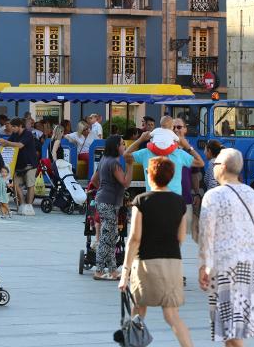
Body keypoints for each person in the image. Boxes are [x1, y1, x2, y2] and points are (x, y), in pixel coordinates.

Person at [199, 148, 254, 345]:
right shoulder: (251, 193)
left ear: (224, 167)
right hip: (249, 264)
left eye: (216, 164)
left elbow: (206, 234)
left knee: (230, 328)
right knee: (234, 327)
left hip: (224, 266)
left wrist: (204, 265)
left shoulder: (213, 196)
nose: (214, 168)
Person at [119, 157, 193, 347]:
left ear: (150, 176)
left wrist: (124, 273)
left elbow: (135, 238)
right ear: (171, 177)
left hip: (145, 263)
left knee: (138, 310)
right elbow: (181, 237)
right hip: (172, 263)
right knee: (172, 315)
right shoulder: (179, 202)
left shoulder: (141, 201)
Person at [90, 135, 133, 280]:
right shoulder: (114, 164)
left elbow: (94, 180)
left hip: (103, 201)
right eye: (122, 144)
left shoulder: (104, 160)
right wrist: (130, 165)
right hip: (109, 202)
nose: (124, 147)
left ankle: (113, 271)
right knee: (107, 238)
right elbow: (126, 182)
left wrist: (103, 189)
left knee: (111, 236)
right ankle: (99, 270)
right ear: (116, 146)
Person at [127, 126, 204, 196]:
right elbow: (200, 162)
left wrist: (140, 139)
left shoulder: (146, 152)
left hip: (152, 200)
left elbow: (126, 155)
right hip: (174, 201)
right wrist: (187, 146)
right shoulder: (179, 154)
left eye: (179, 127)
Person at [0, 118, 38, 216]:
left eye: (14, 127)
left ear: (20, 126)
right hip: (19, 165)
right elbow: (8, 143)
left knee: (30, 185)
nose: (12, 129)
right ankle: (23, 204)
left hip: (30, 164)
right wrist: (2, 142)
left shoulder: (28, 134)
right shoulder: (14, 135)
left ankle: (29, 206)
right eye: (12, 127)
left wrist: (7, 142)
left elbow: (20, 145)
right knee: (15, 184)